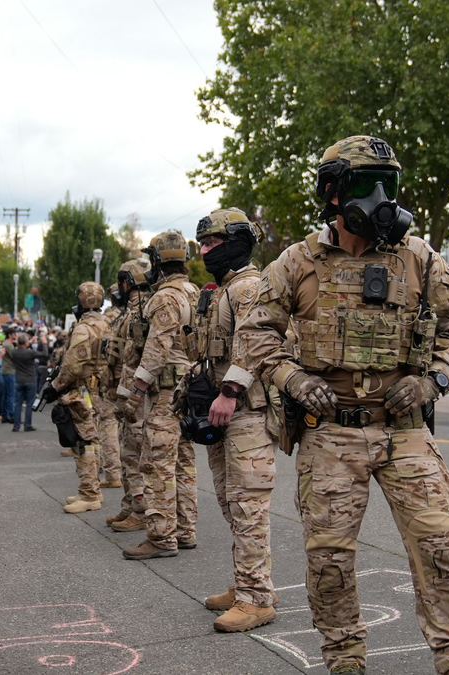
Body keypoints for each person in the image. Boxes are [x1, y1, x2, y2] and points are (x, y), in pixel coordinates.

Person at [221, 136, 449, 675]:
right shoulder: (299, 262)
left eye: (389, 183)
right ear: (333, 192)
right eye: (366, 184)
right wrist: (291, 377)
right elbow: (255, 334)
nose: (381, 197)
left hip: (404, 430)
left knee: (441, 549)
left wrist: (435, 379)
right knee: (330, 561)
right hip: (331, 433)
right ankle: (344, 661)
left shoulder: (419, 258)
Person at [191, 208, 280, 633]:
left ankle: (257, 599)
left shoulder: (248, 287)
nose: (205, 250)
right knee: (231, 502)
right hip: (224, 413)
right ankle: (247, 584)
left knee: (248, 505)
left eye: (212, 242)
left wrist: (230, 390)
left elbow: (256, 342)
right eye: (202, 244)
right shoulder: (224, 290)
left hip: (246, 412)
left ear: (237, 242)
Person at [117, 230, 200, 560]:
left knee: (157, 463)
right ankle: (185, 530)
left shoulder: (165, 297)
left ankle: (162, 536)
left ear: (157, 261)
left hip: (167, 392)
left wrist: (135, 392)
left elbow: (156, 349)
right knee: (184, 462)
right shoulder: (193, 292)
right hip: (189, 388)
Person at [41, 282, 109, 513]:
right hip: (102, 391)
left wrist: (56, 386)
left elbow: (72, 365)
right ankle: (90, 490)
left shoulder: (83, 329)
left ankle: (89, 494)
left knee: (84, 443)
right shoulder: (108, 324)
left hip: (83, 393)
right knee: (94, 441)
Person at [106, 259, 152, 534]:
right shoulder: (133, 311)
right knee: (127, 450)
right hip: (130, 388)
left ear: (128, 282)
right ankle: (130, 503)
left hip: (136, 390)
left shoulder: (139, 312)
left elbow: (130, 356)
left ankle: (140, 509)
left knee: (134, 453)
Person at [95, 285, 124, 489]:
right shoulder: (134, 312)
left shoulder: (109, 319)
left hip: (112, 380)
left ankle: (113, 472)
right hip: (132, 380)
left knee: (107, 424)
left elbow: (104, 351)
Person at [9, 333, 39, 432]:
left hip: (19, 379)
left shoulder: (14, 352)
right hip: (30, 379)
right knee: (29, 403)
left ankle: (16, 426)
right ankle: (27, 425)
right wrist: (44, 343)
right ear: (26, 342)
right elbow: (44, 354)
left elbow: (21, 349)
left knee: (18, 403)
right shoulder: (30, 353)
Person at [0, 329, 17, 425]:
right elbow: (15, 356)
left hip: (5, 370)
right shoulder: (9, 345)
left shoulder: (5, 344)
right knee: (10, 395)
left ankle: (5, 415)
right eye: (14, 334)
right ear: (10, 335)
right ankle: (11, 415)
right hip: (10, 371)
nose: (16, 335)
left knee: (6, 394)